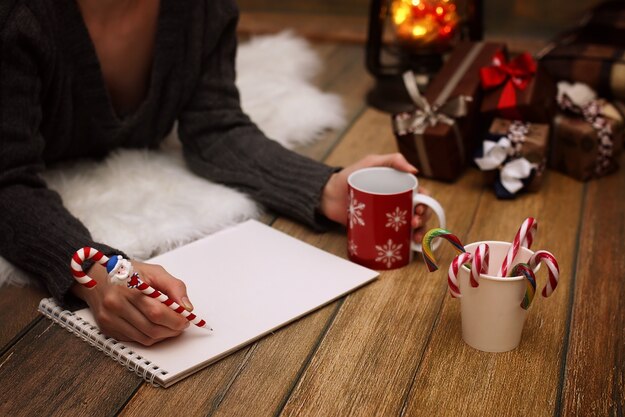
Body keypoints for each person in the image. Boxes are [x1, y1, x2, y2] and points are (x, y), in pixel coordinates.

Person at [0, 0, 429, 346]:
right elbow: (6, 181)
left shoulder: (202, 10)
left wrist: (323, 187)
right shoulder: (20, 17)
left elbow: (215, 127)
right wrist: (94, 271)